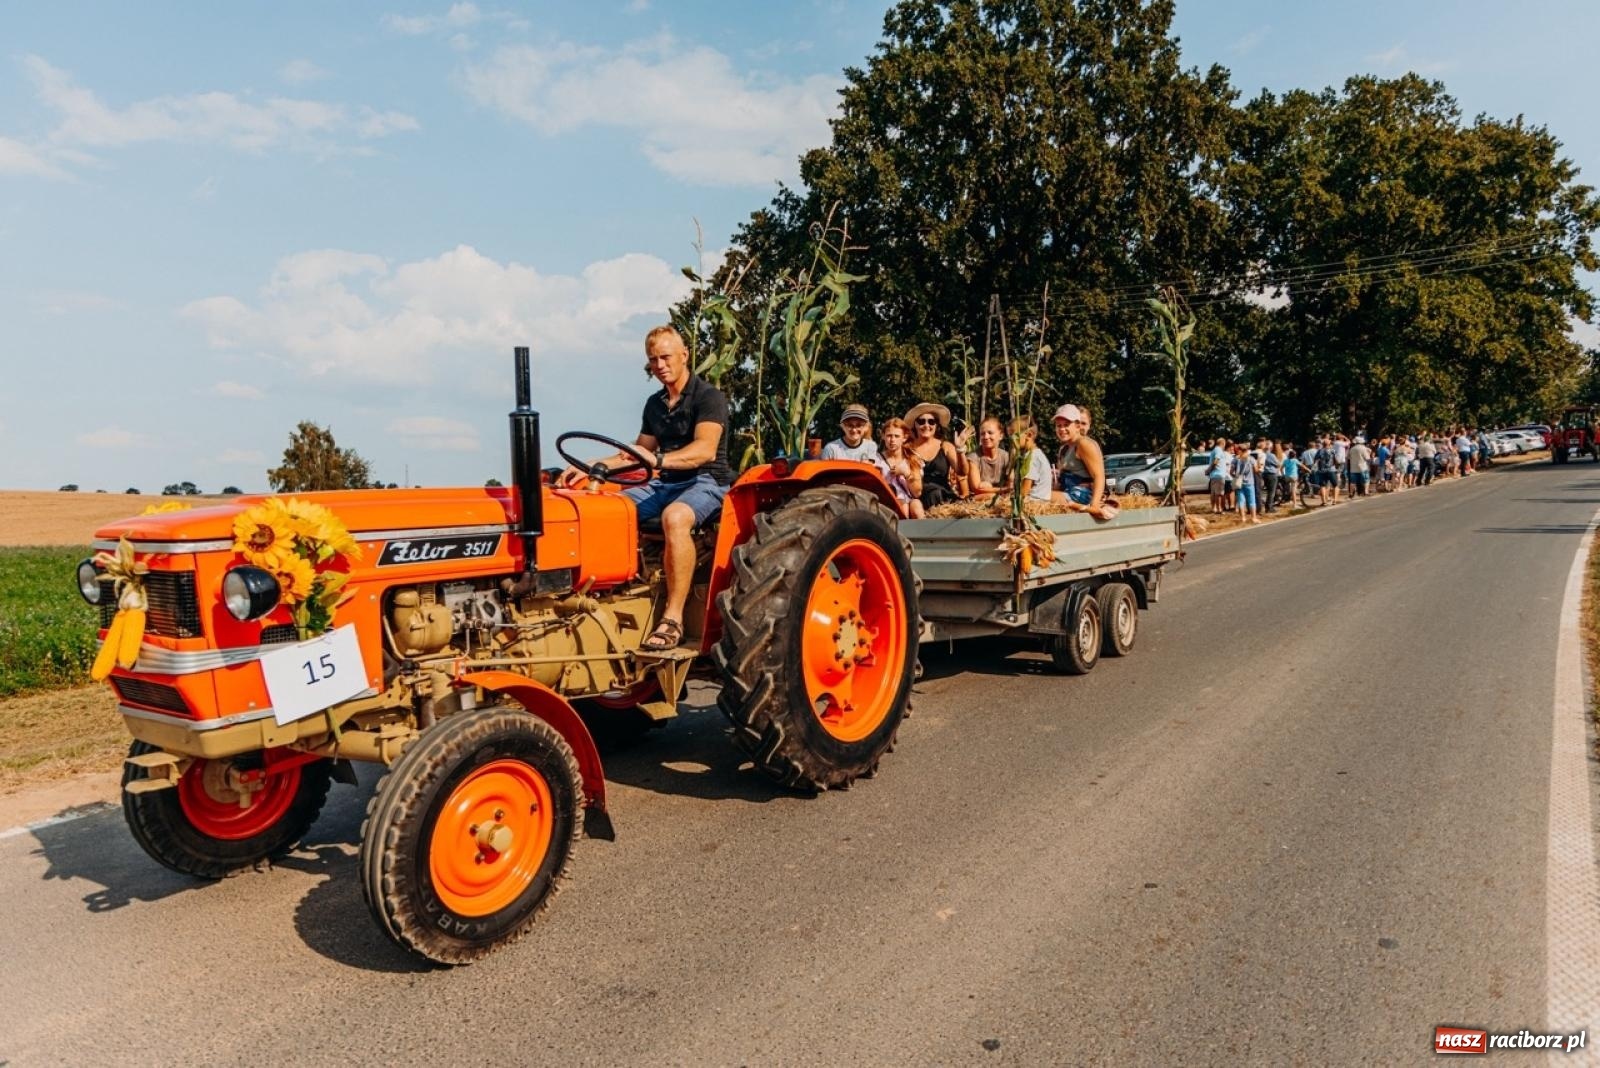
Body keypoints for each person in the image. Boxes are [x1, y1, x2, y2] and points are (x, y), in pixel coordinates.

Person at [558, 324, 731, 651]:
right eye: (653, 360)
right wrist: (593, 466)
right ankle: (607, 596)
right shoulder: (655, 404)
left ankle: (674, 618)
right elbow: (636, 454)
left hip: (707, 480)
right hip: (667, 482)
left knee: (675, 517)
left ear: (684, 355)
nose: (660, 365)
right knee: (608, 511)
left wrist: (660, 460)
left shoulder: (709, 397)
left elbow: (704, 450)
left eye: (666, 357)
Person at [1052, 403, 1118, 519]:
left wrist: (1095, 505)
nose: (1062, 429)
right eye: (1058, 426)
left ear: (1077, 426)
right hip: (1070, 491)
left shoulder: (1084, 444)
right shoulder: (1065, 448)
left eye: (1066, 425)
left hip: (1081, 494)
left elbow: (1099, 476)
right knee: (1037, 494)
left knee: (1038, 495)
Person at [905, 402, 968, 510]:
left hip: (944, 497)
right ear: (915, 424)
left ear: (937, 425)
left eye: (931, 421)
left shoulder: (945, 446)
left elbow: (962, 472)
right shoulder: (907, 449)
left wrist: (960, 450)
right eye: (921, 421)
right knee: (933, 493)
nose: (926, 425)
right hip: (920, 498)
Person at [878, 417, 925, 518]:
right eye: (889, 436)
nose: (892, 440)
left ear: (904, 437)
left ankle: (924, 532)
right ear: (883, 436)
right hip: (887, 501)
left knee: (916, 506)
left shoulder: (912, 458)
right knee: (902, 505)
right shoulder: (877, 460)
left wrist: (906, 473)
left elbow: (917, 492)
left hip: (910, 500)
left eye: (896, 436)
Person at [1005, 416, 1052, 506]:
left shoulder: (1032, 457)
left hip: (1034, 502)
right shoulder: (1037, 453)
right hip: (1039, 501)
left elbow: (1025, 490)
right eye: (1010, 436)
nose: (1011, 439)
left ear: (1029, 435)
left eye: (1014, 435)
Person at [967, 416, 1011, 500]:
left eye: (990, 433)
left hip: (1002, 496)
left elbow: (1012, 483)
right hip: (979, 497)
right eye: (983, 434)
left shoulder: (1006, 457)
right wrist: (1004, 489)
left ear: (1001, 436)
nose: (986, 437)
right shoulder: (973, 457)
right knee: (984, 486)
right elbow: (977, 488)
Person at [1232, 441, 1260, 524]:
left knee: (1241, 500)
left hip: (1239, 483)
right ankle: (1253, 517)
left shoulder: (1236, 459)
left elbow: (1230, 471)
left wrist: (1236, 477)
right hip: (1249, 482)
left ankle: (1243, 518)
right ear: (1247, 450)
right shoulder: (1251, 459)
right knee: (1251, 500)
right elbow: (1256, 470)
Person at [1207, 436, 1230, 514]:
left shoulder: (1215, 450)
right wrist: (1209, 469)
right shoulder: (1218, 450)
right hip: (1219, 474)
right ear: (1223, 443)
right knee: (1219, 493)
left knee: (1213, 493)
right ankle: (1219, 508)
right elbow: (1216, 461)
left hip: (1214, 474)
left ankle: (1214, 508)